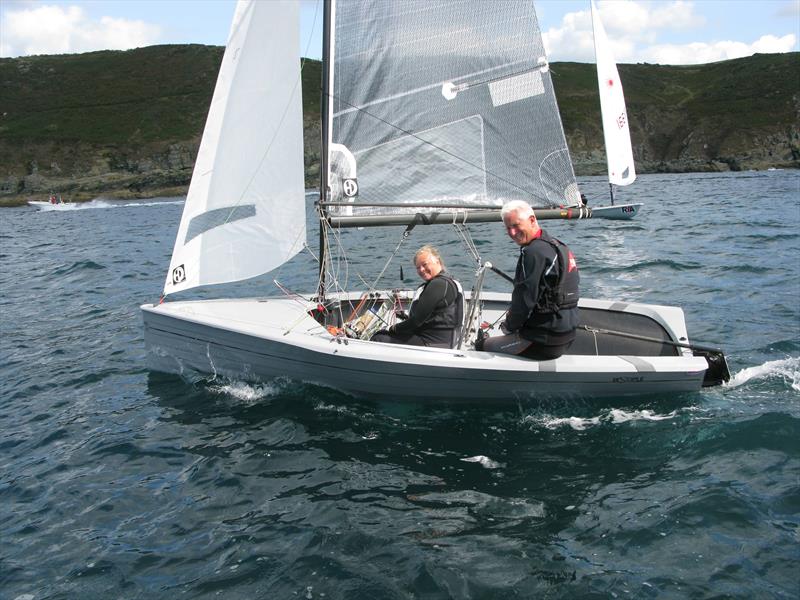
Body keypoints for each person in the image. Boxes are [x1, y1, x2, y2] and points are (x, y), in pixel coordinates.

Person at [479, 200, 580, 360]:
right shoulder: (559, 246)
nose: (512, 233)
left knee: (482, 346)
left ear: (532, 220)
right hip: (567, 335)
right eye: (508, 228)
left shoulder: (532, 252)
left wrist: (508, 327)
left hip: (543, 342)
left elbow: (524, 300)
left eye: (516, 225)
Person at [371, 245, 462, 348]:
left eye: (424, 264)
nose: (421, 270)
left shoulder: (438, 284)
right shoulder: (448, 281)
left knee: (379, 337)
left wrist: (392, 328)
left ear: (437, 261)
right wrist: (407, 318)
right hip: (446, 341)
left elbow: (416, 322)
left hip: (432, 343)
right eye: (418, 267)